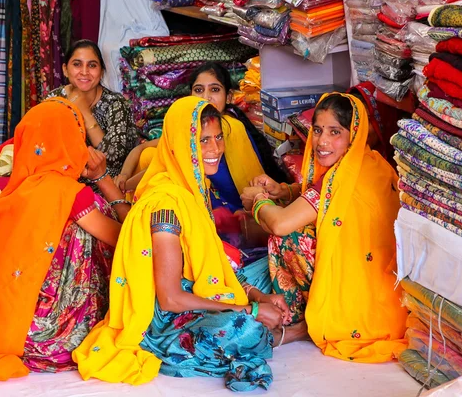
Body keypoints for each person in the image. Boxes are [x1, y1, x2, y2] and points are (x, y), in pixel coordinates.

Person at [71, 97, 303, 392]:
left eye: (218, 137)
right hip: (167, 320)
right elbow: (170, 299)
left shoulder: (193, 188)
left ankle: (268, 320)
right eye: (202, 140)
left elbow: (211, 264)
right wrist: (250, 311)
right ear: (180, 144)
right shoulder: (166, 203)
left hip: (195, 292)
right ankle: (281, 335)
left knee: (277, 272)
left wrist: (257, 295)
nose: (215, 149)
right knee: (245, 331)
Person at [0, 98, 131, 380]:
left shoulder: (14, 193)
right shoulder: (68, 192)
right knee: (93, 220)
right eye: (77, 135)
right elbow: (126, 238)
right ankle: (82, 318)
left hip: (3, 325)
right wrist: (105, 180)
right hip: (45, 337)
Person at [240, 92, 408, 363]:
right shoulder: (374, 163)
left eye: (335, 132)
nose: (322, 141)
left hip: (352, 306)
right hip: (387, 302)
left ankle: (304, 318)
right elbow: (326, 203)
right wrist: (283, 190)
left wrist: (257, 201)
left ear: (354, 135)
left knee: (290, 235)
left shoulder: (338, 180)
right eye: (317, 130)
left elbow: (282, 224)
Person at [114, 62, 289, 213]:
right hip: (201, 199)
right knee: (150, 155)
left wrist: (122, 189)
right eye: (199, 90)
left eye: (214, 89)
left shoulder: (231, 127)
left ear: (228, 96)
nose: (206, 97)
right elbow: (144, 150)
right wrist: (123, 177)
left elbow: (247, 189)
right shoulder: (190, 128)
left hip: (231, 210)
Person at [47, 39, 140, 178]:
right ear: (65, 70)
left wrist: (84, 113)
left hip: (103, 185)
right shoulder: (53, 100)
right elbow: (41, 148)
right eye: (77, 64)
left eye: (92, 65)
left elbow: (113, 159)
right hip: (60, 180)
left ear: (101, 72)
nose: (84, 72)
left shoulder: (115, 104)